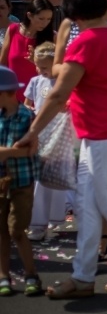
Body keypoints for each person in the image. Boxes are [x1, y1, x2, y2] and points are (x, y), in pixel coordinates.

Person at [17, 0, 107, 299]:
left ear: (75, 12)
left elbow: (59, 91)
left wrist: (32, 132)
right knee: (89, 206)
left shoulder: (87, 41)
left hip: (102, 132)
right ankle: (83, 275)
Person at [0, 65, 43, 296]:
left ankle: (31, 274)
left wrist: (6, 153)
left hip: (22, 181)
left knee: (17, 229)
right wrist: (12, 151)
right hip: (1, 181)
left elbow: (30, 150)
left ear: (7, 92)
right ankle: (4, 276)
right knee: (1, 232)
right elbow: (19, 149)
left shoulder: (27, 116)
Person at [24, 43, 66, 243]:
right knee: (40, 179)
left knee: (56, 177)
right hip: (41, 134)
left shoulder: (62, 82)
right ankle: (37, 222)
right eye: (38, 66)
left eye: (45, 67)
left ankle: (55, 214)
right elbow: (28, 104)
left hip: (59, 134)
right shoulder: (35, 81)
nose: (42, 71)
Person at [0, 0, 55, 103]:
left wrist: (37, 61)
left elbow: (55, 71)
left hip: (38, 97)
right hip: (11, 96)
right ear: (30, 15)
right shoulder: (13, 30)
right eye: (41, 18)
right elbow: (2, 63)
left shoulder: (52, 37)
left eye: (49, 19)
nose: (45, 23)